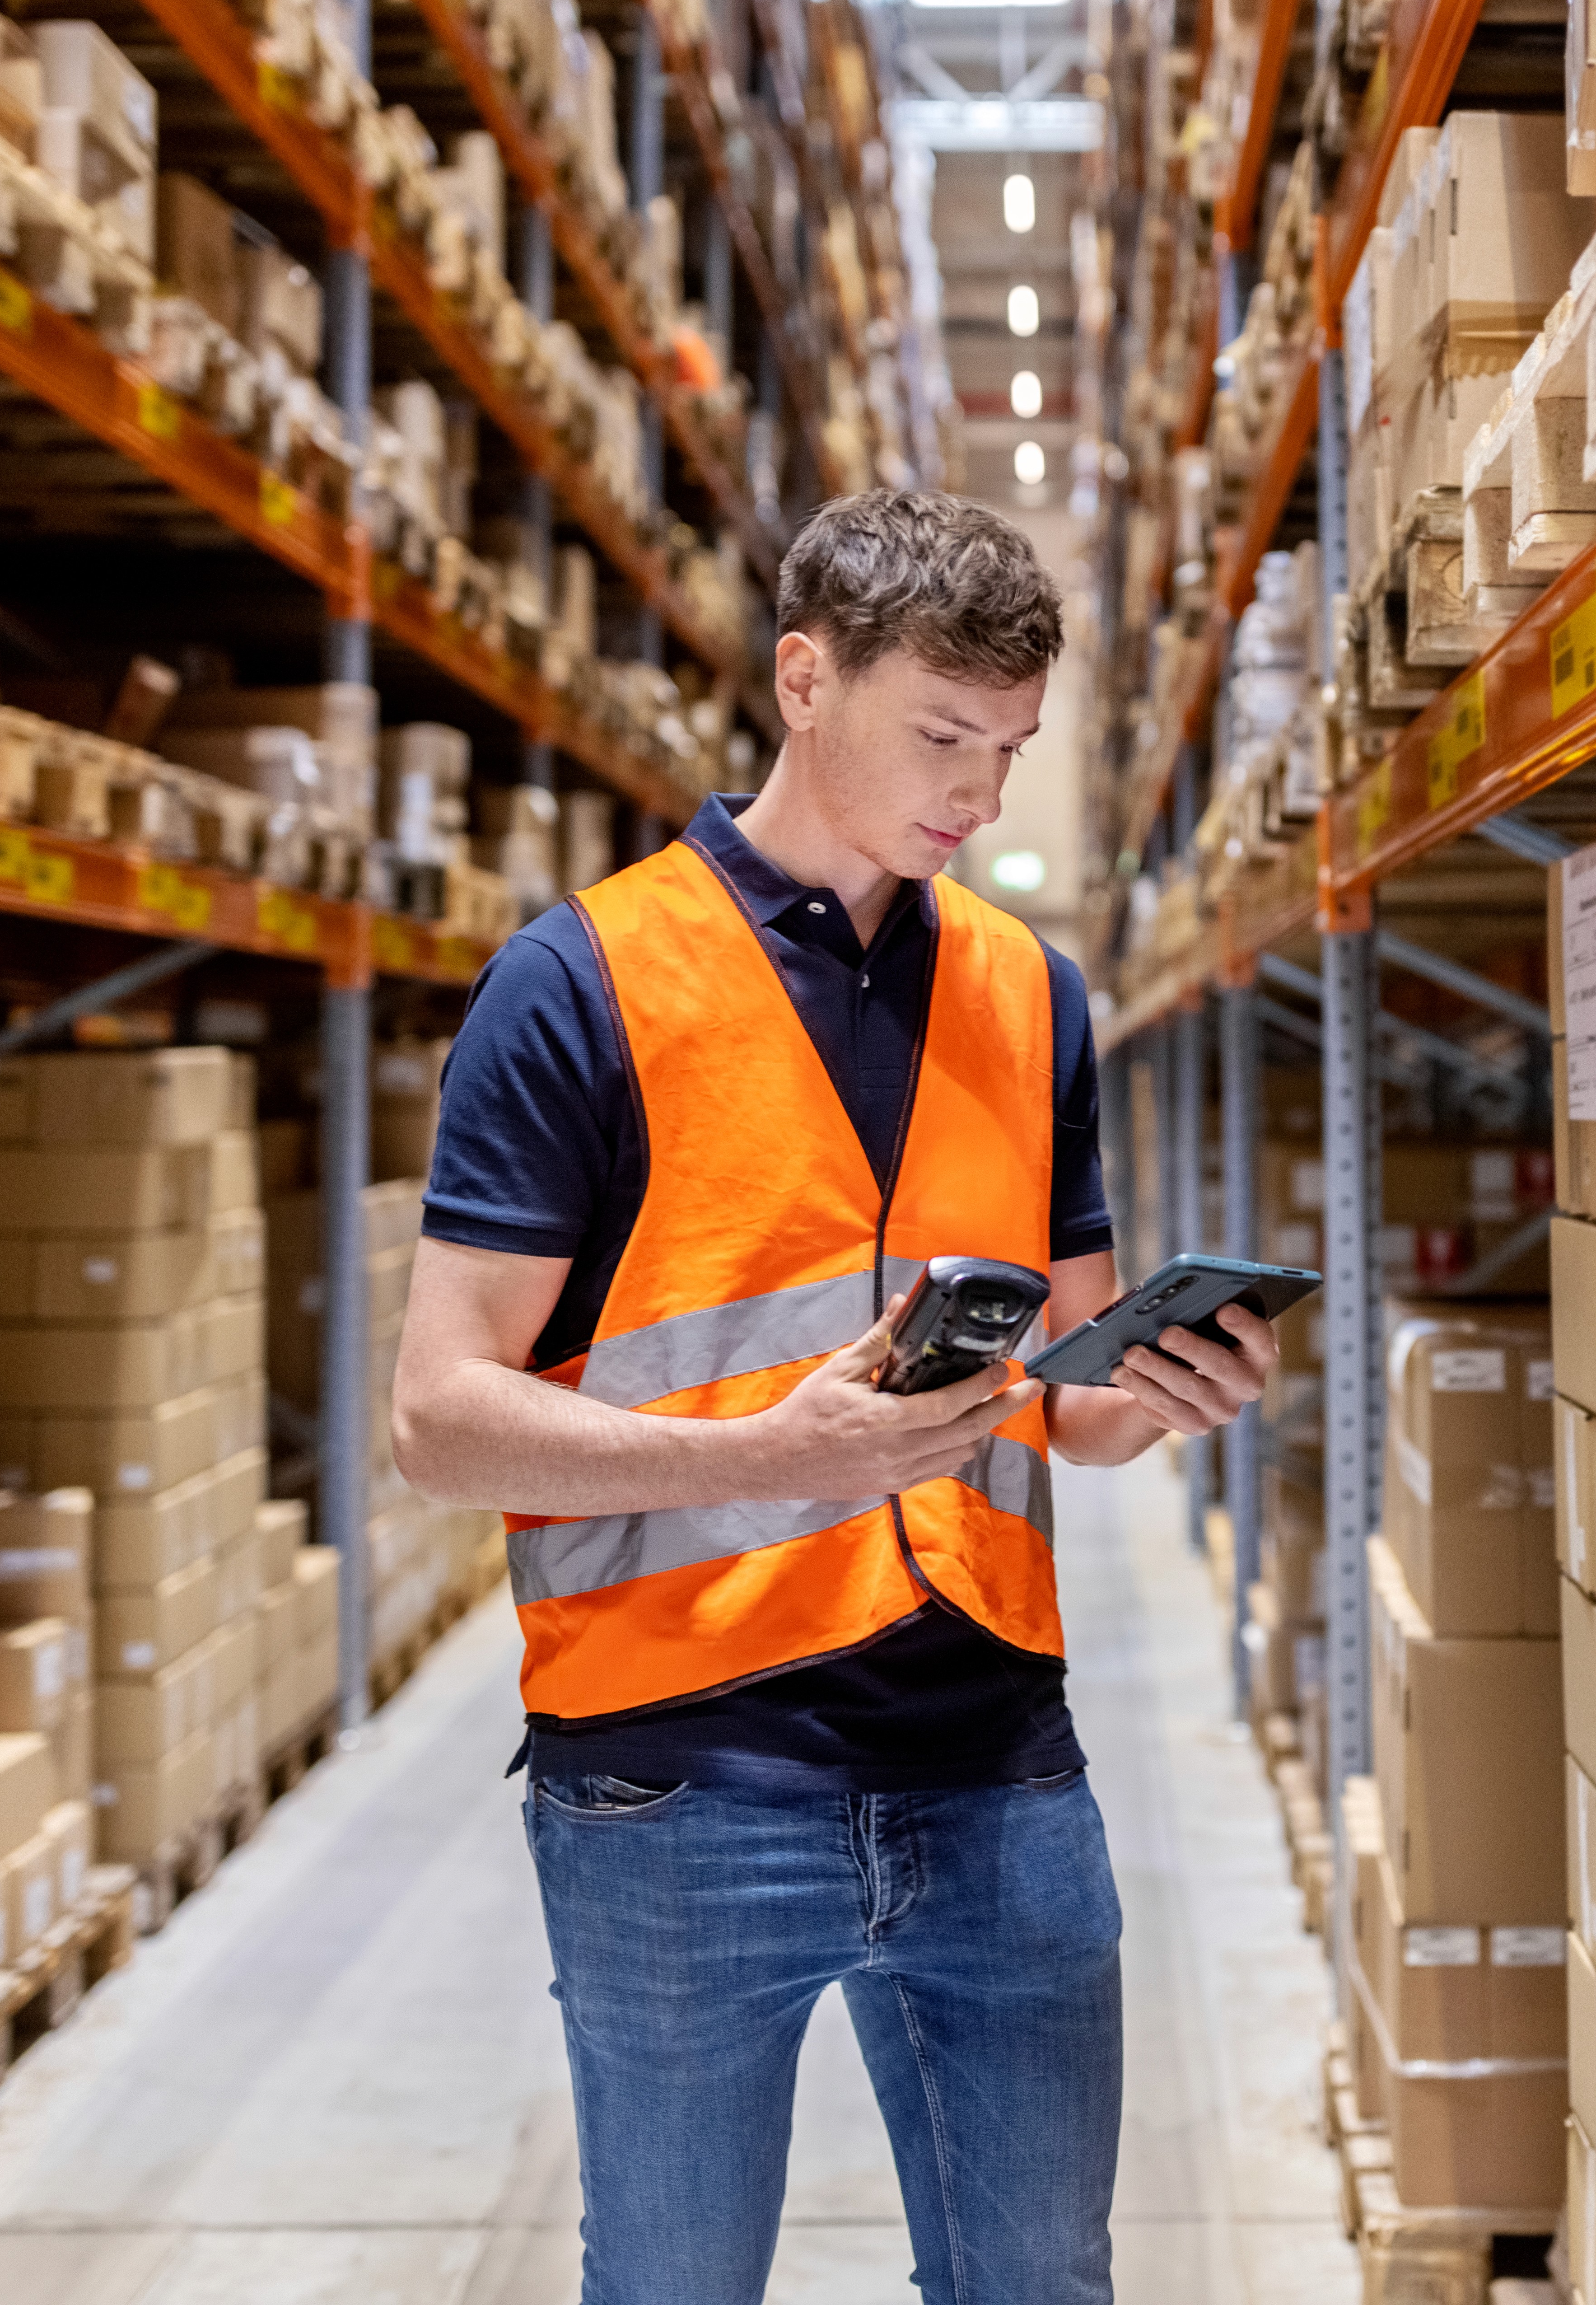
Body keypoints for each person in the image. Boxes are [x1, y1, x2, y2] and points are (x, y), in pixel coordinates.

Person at [391, 488, 1278, 2305]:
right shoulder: (583, 984)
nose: (978, 794)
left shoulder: (1031, 995)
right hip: (681, 1772)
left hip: (996, 1767)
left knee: (1043, 2285)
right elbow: (437, 1413)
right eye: (940, 735)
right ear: (805, 679)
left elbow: (1068, 1399)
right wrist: (769, 1450)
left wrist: (1163, 1388)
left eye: (1009, 749)